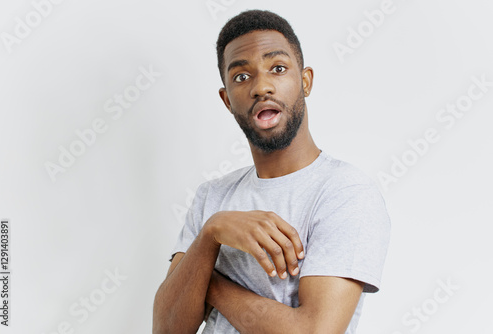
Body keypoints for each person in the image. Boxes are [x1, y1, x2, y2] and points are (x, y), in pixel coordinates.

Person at [153, 9, 390, 334]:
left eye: (277, 68)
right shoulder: (212, 197)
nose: (261, 86)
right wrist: (212, 233)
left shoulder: (346, 192)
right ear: (227, 100)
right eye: (241, 76)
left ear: (305, 81)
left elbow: (314, 331)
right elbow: (167, 329)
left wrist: (211, 282)